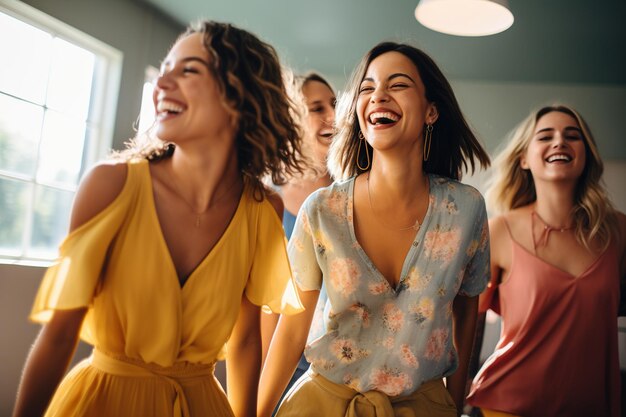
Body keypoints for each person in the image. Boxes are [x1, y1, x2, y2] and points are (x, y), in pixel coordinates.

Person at [12, 20, 304, 417]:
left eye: (187, 70)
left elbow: (246, 341)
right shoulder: (109, 187)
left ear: (239, 93)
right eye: (164, 69)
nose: (162, 84)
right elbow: (59, 337)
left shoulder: (262, 209)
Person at [258, 41, 491, 417]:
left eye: (397, 85)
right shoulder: (321, 210)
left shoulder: (466, 210)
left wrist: (457, 397)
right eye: (367, 88)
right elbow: (290, 331)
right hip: (321, 406)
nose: (378, 95)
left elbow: (468, 309)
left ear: (431, 111)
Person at [466, 104, 626, 417]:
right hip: (506, 404)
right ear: (524, 158)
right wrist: (453, 397)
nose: (559, 142)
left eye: (572, 136)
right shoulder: (499, 230)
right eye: (545, 136)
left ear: (587, 154)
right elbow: (471, 322)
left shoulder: (619, 231)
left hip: (594, 407)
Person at [260, 72, 336, 413]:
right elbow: (264, 306)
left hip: (341, 374)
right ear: (292, 120)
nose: (332, 116)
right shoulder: (266, 204)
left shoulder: (358, 195)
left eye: (335, 105)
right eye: (317, 108)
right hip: (284, 372)